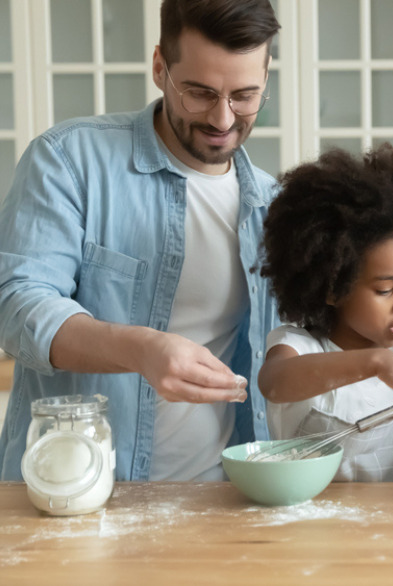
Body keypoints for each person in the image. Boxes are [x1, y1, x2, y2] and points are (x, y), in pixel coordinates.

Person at [0, 0, 282, 481]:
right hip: (78, 499)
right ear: (159, 67)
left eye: (244, 95)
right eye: (199, 93)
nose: (222, 119)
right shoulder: (70, 160)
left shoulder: (272, 207)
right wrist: (140, 350)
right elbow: (17, 305)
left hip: (223, 501)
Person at [258, 144, 393, 482]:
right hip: (324, 534)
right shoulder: (299, 347)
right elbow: (274, 383)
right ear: (332, 288)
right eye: (386, 290)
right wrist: (376, 362)